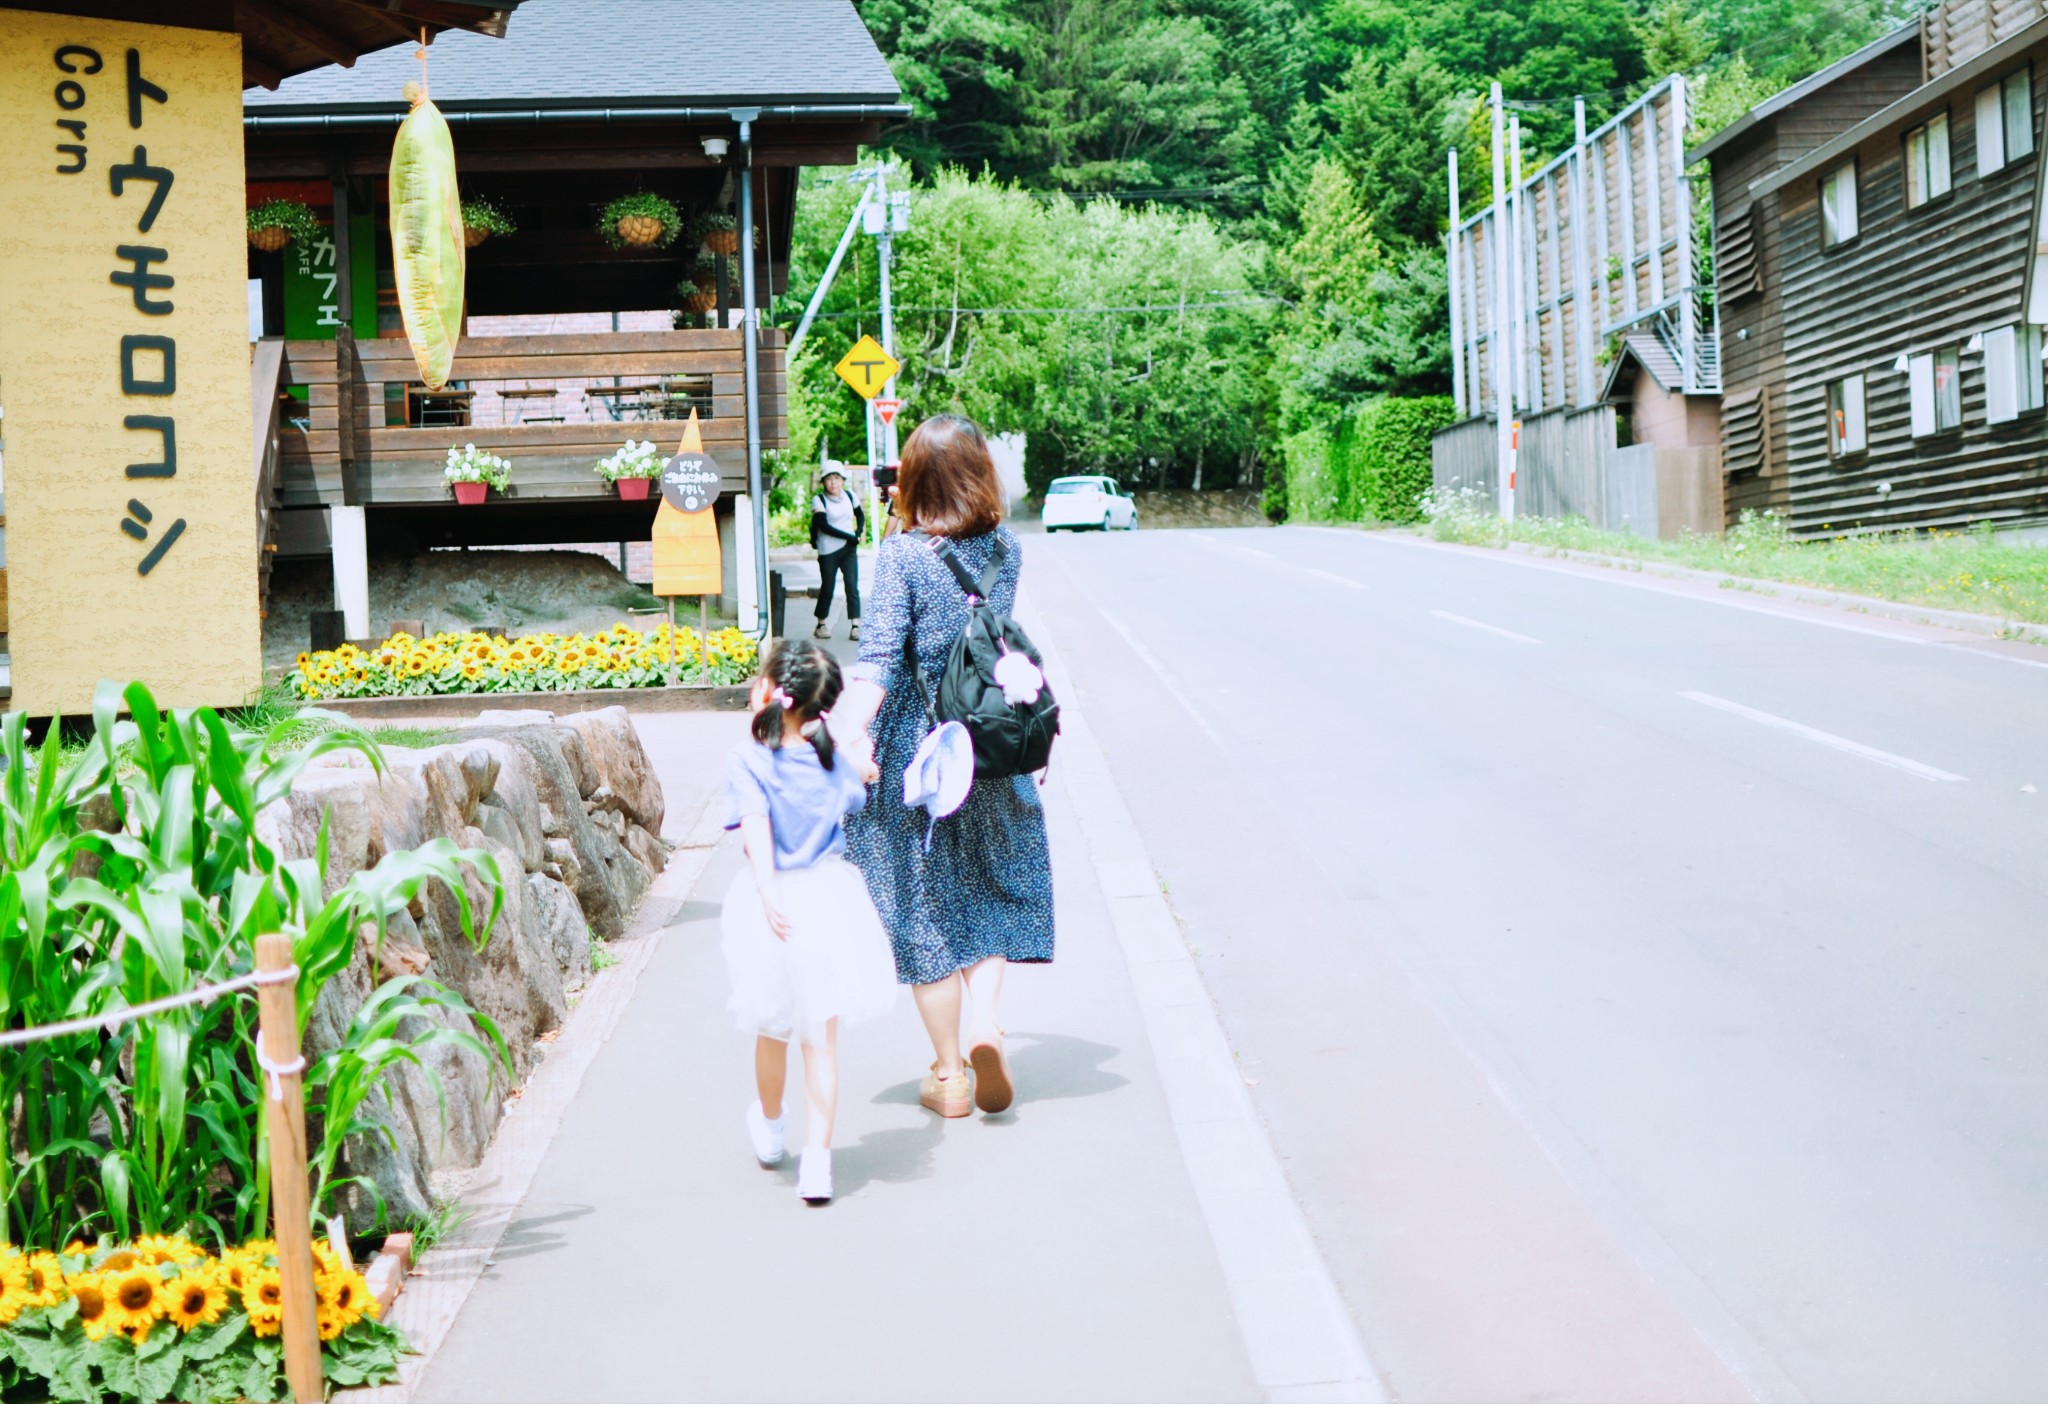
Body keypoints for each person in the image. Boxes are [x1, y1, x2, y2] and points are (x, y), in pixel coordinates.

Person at [835, 415, 1054, 1118]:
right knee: (991, 889)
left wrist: (848, 731)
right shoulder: (1006, 550)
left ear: (912, 477)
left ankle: (950, 1074)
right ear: (980, 471)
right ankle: (988, 1022)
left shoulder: (899, 557)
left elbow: (875, 663)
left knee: (923, 909)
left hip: (917, 755)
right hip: (987, 743)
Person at [721, 638, 896, 1203]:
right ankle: (817, 1163)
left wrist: (769, 894)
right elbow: (859, 785)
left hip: (770, 905)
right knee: (821, 1039)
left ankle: (771, 1128)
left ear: (770, 690)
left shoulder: (748, 757)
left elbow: (755, 828)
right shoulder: (833, 759)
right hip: (828, 900)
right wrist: (864, 766)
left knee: (772, 1027)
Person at [810, 468, 866, 641]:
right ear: (823, 482)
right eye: (829, 479)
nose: (833, 482)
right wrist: (850, 536)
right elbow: (823, 525)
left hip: (848, 549)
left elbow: (860, 514)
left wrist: (858, 532)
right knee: (828, 586)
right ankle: (821, 624)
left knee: (852, 586)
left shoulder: (850, 496)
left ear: (843, 480)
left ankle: (855, 626)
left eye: (836, 478)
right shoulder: (819, 500)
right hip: (828, 549)